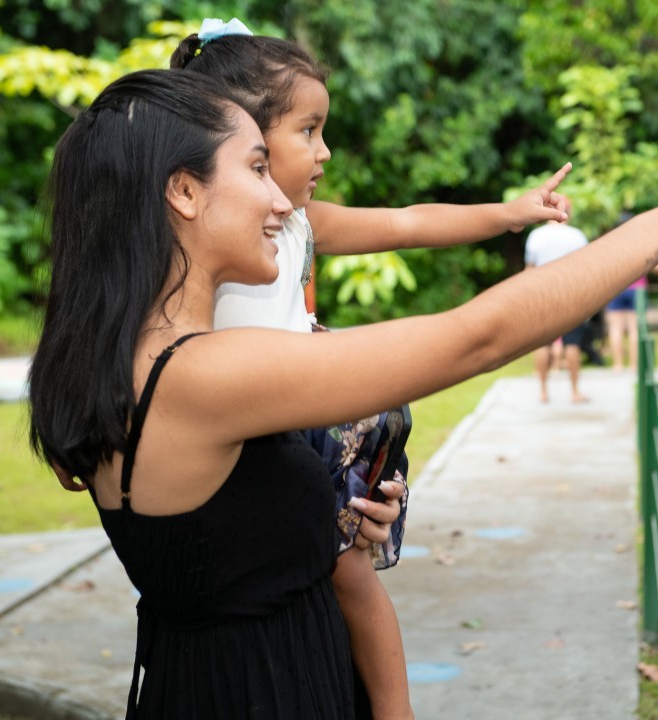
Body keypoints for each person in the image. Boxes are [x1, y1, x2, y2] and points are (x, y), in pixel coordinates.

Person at [28, 67, 658, 718]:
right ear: (184, 194)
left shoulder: (131, 363)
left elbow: (232, 540)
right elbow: (477, 336)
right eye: (257, 167)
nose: (280, 200)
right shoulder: (201, 375)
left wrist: (331, 511)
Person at [169, 21, 572, 718]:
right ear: (243, 140)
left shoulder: (298, 224)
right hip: (275, 432)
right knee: (336, 580)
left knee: (349, 574)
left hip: (320, 427)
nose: (324, 151)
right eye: (309, 132)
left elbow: (408, 222)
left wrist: (509, 214)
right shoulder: (195, 245)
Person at [523, 219, 592, 403]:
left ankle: (543, 392)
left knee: (541, 344)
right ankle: (575, 392)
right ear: (567, 215)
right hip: (571, 294)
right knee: (572, 344)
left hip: (542, 294)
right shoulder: (577, 235)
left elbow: (529, 269)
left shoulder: (535, 236)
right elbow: (586, 269)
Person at [604, 212, 658, 373]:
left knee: (615, 328)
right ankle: (633, 365)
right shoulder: (642, 242)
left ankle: (617, 365)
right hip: (637, 290)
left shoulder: (611, 243)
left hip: (616, 288)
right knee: (634, 328)